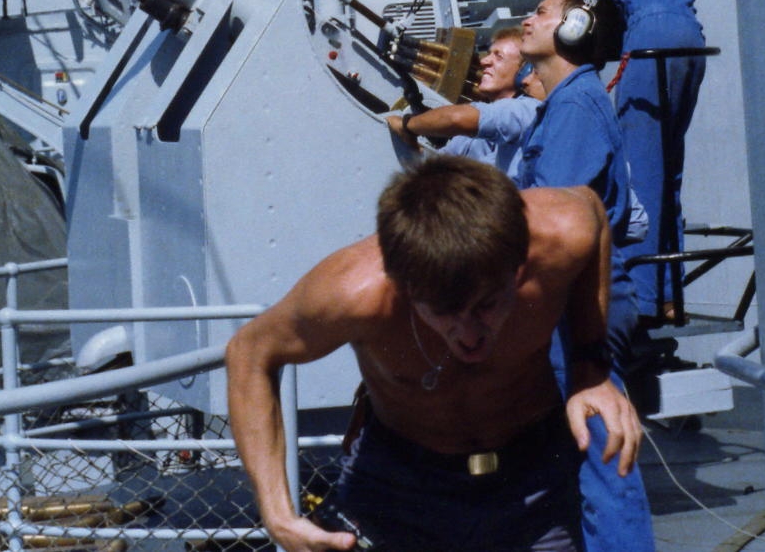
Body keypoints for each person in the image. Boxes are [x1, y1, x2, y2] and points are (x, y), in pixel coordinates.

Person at [226, 155, 642, 552]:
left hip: (531, 480)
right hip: (399, 489)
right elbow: (249, 352)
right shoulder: (355, 292)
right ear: (404, 285)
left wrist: (591, 370)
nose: (469, 335)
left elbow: (592, 209)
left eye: (487, 305)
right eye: (443, 312)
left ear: (517, 266)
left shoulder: (560, 233)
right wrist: (277, 514)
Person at [519, 0, 656, 552]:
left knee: (603, 453)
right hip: (570, 293)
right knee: (585, 448)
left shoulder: (575, 106)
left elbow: (555, 223)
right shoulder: (566, 104)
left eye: (541, 11)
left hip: (576, 297)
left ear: (575, 27)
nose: (527, 20)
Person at [593, 0, 706, 324]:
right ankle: (670, 295)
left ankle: (640, 301)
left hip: (648, 38)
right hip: (690, 42)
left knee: (639, 170)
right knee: (668, 170)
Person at [386, 27, 539, 178]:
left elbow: (455, 118)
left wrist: (407, 126)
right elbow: (438, 163)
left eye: (499, 57)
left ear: (524, 72)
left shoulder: (528, 110)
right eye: (489, 54)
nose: (484, 61)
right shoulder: (471, 134)